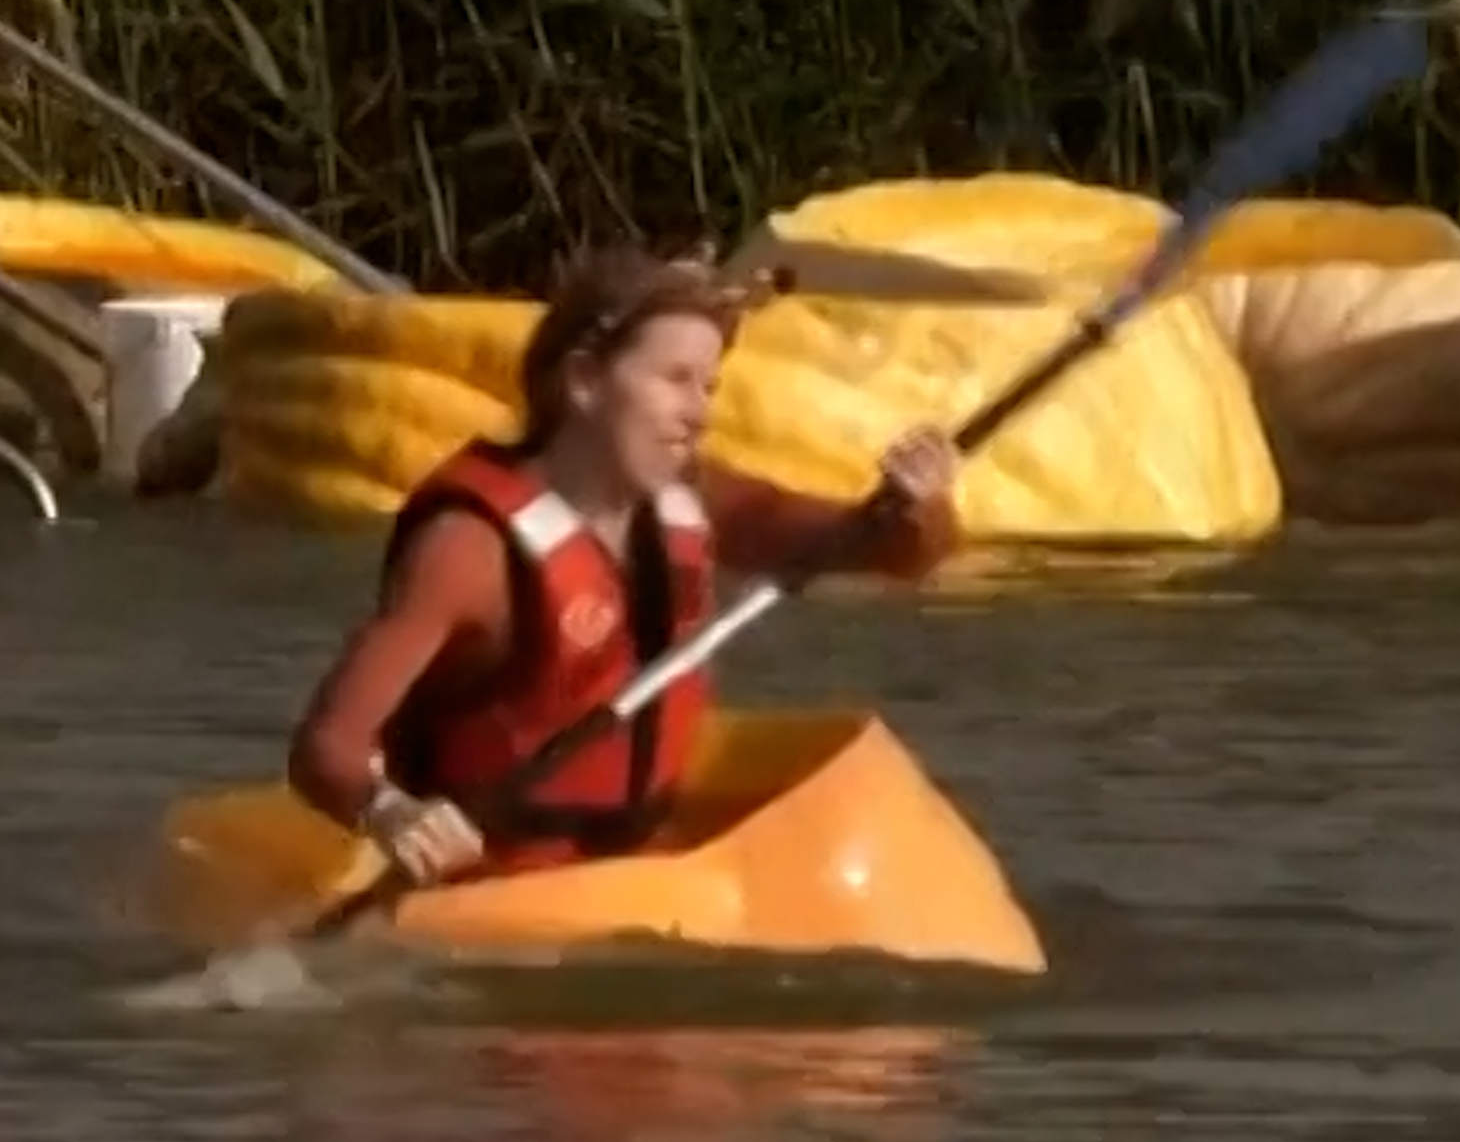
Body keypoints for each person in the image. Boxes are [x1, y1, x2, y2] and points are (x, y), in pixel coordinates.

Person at [289, 246, 962, 889]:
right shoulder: (468, 550)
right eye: (675, 380)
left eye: (709, 385)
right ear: (584, 380)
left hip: (642, 865)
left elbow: (889, 552)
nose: (700, 412)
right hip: (493, 881)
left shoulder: (695, 500)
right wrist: (387, 809)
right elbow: (326, 748)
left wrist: (918, 506)